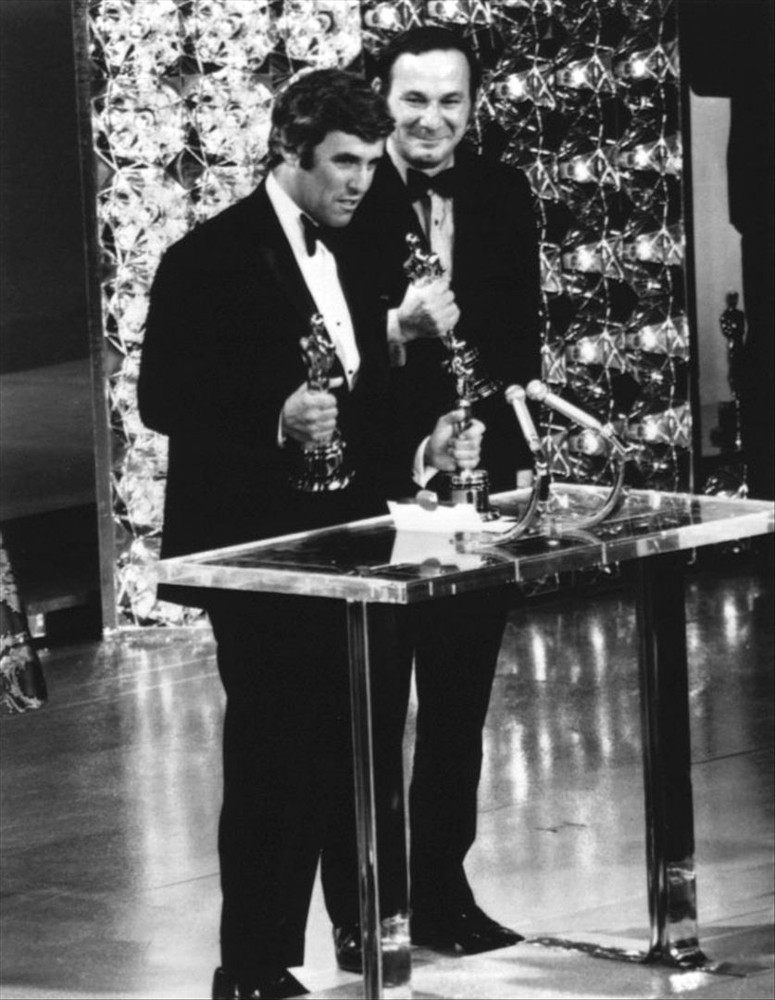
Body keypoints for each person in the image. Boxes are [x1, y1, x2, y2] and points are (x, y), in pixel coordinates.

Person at [137, 68, 484, 1000]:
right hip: (257, 553)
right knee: (273, 755)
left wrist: (422, 448)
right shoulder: (208, 256)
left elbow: (365, 402)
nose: (360, 181)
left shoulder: (356, 248)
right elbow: (162, 397)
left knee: (359, 746)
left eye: (369, 162)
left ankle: (366, 927)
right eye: (342, 162)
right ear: (289, 153)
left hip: (352, 544)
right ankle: (251, 966)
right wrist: (271, 419)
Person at [334, 26, 542, 967]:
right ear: (381, 100)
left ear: (473, 105)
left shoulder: (501, 191)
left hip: (474, 481)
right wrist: (399, 338)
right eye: (413, 100)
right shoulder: (342, 192)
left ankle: (443, 895)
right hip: (371, 483)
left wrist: (502, 450)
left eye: (450, 100)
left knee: (459, 703)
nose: (431, 119)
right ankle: (364, 909)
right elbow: (321, 345)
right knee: (369, 708)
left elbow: (519, 335)